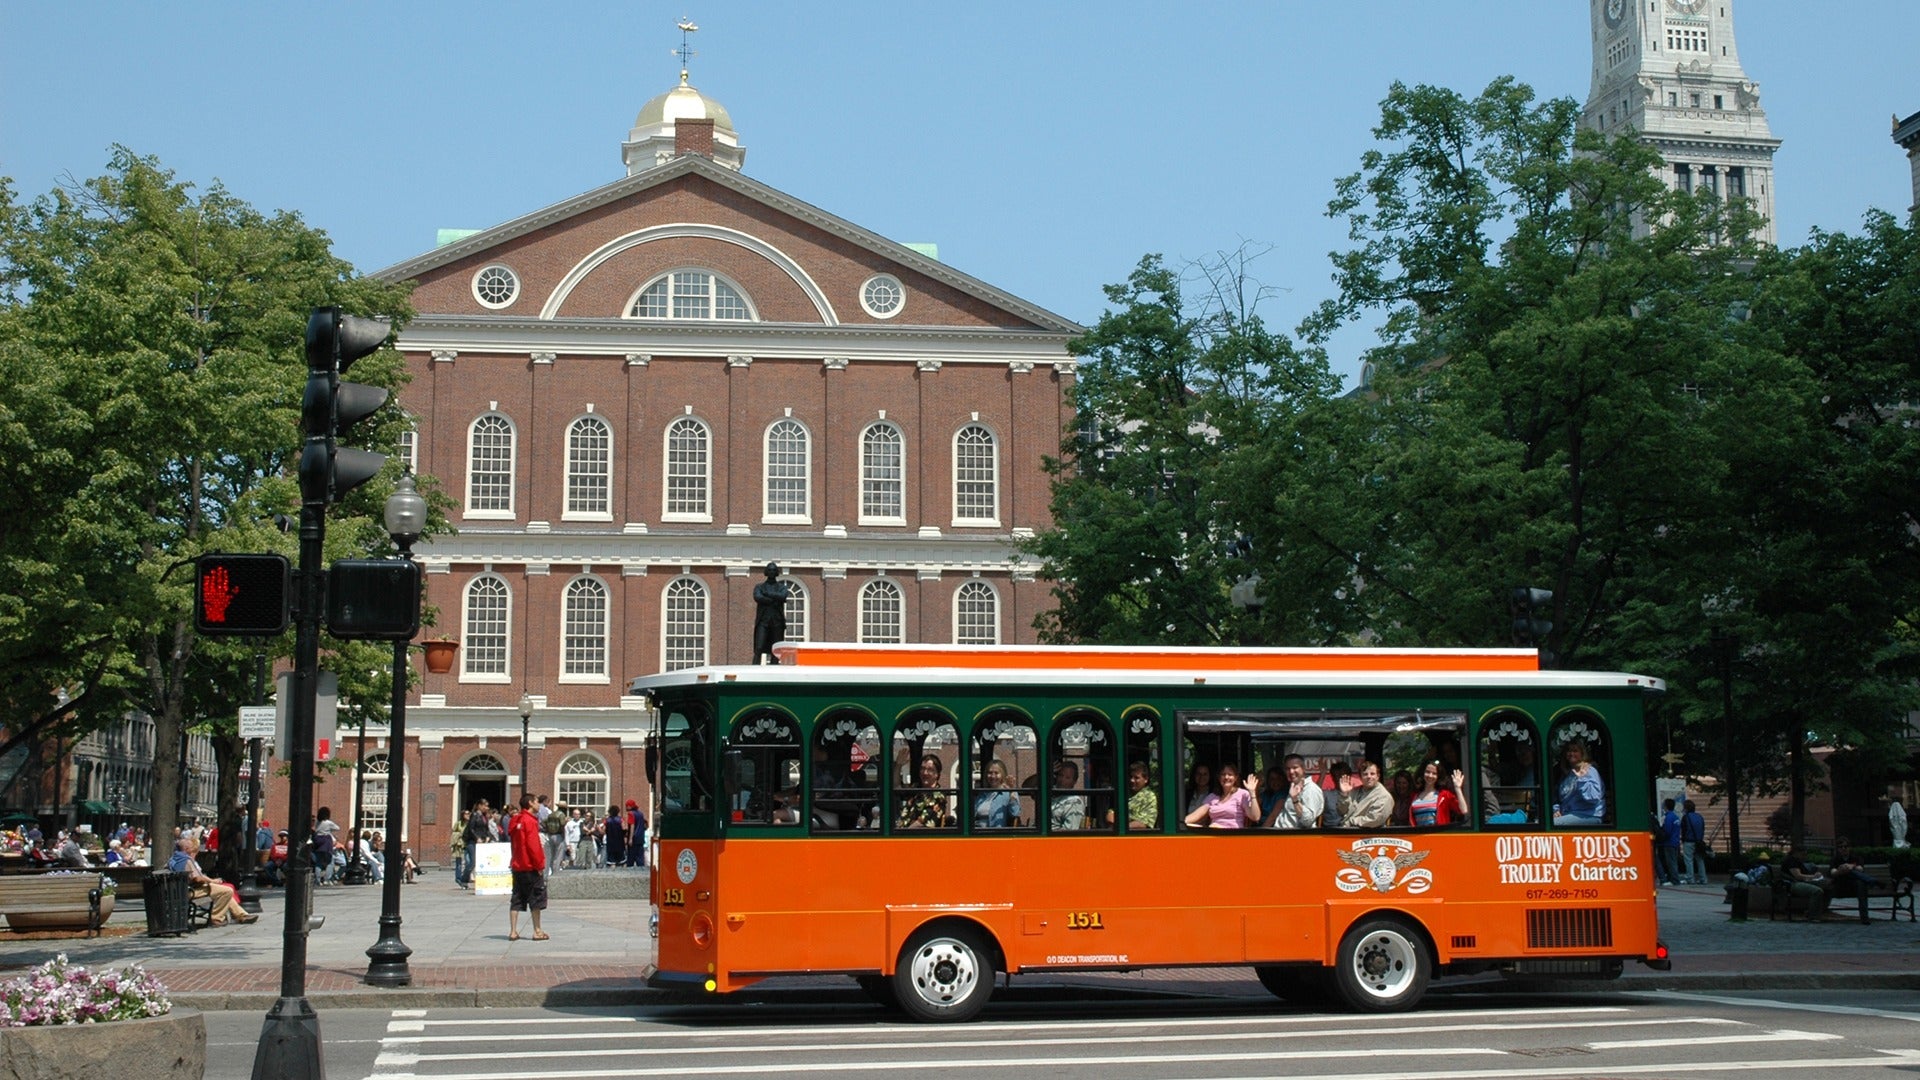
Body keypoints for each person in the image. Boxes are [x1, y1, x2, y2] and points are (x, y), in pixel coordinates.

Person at [168, 836, 257, 925]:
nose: (194, 849)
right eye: (192, 847)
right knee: (227, 891)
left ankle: (242, 915)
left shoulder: (174, 859)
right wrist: (211, 881)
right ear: (186, 848)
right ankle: (216, 918)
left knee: (224, 891)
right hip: (189, 891)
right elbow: (197, 878)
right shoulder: (186, 860)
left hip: (181, 890)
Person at [506, 794, 548, 941]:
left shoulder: (515, 820)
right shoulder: (529, 821)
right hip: (530, 866)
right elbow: (533, 846)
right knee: (536, 897)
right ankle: (537, 930)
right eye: (537, 802)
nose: (539, 805)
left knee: (516, 897)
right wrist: (539, 865)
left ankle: (513, 931)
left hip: (517, 865)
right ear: (530, 803)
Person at [1184, 763, 1260, 828]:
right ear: (1219, 777)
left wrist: (1252, 792)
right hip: (1214, 836)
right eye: (1223, 774)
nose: (1226, 777)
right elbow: (1195, 816)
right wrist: (1178, 823)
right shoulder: (1212, 797)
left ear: (1236, 778)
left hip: (1233, 837)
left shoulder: (1243, 794)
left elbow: (1255, 817)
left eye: (1230, 774)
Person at [1551, 741, 1606, 826]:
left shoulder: (1589, 771)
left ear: (1582, 753)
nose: (1571, 753)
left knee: (1553, 824)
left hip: (1589, 815)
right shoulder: (1567, 774)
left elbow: (1593, 797)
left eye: (1575, 751)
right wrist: (1556, 810)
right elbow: (1560, 798)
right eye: (1569, 751)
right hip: (1569, 814)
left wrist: (1582, 779)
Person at [1265, 754, 1326, 829]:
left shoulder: (1311, 789)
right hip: (1280, 834)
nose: (1291, 771)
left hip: (1294, 837)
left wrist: (1295, 800)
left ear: (1303, 768)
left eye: (1295, 767)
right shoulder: (1293, 787)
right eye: (1287, 769)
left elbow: (1308, 821)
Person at [1828, 836, 1880, 923]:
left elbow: (1861, 869)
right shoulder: (1835, 859)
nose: (1843, 849)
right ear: (1838, 849)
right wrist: (1841, 870)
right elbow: (1832, 873)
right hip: (1840, 886)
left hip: (1854, 886)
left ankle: (1864, 918)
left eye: (1846, 846)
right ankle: (1872, 881)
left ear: (1849, 847)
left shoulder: (1856, 858)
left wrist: (1852, 866)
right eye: (1841, 847)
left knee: (1860, 883)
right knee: (1852, 873)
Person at [752, 562, 791, 665]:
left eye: (774, 570)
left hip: (777, 622)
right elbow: (758, 597)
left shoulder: (782, 587)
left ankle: (774, 669)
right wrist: (774, 599)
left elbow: (783, 596)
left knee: (776, 649)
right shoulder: (759, 587)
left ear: (777, 572)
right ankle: (753, 669)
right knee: (759, 647)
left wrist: (768, 594)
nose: (772, 572)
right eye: (769, 570)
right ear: (766, 572)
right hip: (763, 622)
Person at [898, 754, 952, 828]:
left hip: (918, 836)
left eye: (930, 769)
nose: (925, 773)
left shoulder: (938, 796)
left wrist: (902, 834)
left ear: (937, 774)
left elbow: (920, 823)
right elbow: (896, 788)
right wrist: (898, 765)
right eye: (922, 768)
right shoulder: (916, 788)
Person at [1407, 761, 1467, 827]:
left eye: (1434, 773)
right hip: (1418, 835)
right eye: (1427, 772)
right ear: (1423, 773)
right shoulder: (1414, 796)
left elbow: (1463, 810)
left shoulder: (1444, 795)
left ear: (1438, 776)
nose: (1430, 775)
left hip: (1437, 835)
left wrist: (1457, 788)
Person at [1336, 762, 1393, 830]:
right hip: (1347, 833)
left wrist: (1352, 821)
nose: (1369, 777)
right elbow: (1342, 811)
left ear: (1378, 776)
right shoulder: (1355, 791)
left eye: (1372, 774)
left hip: (1370, 836)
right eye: (1365, 774)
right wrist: (1344, 795)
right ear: (1360, 777)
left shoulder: (1384, 796)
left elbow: (1374, 820)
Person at [1781, 845, 1832, 919]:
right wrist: (1814, 877)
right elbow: (1798, 876)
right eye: (1803, 854)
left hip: (1803, 882)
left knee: (1829, 887)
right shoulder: (1791, 861)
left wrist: (1815, 876)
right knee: (1816, 891)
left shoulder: (1799, 861)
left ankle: (1817, 911)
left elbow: (1805, 875)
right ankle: (1813, 915)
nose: (1804, 856)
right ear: (1796, 853)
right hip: (1793, 884)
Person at [974, 759, 1019, 827]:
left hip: (996, 835)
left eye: (996, 773)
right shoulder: (981, 794)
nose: (993, 776)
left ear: (1002, 774)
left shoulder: (1007, 793)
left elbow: (1015, 813)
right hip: (977, 834)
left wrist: (1012, 792)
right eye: (990, 773)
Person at [1049, 760, 1088, 830]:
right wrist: (1046, 773)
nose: (1062, 780)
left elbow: (1070, 832)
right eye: (1060, 775)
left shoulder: (1074, 802)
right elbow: (1027, 787)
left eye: (1067, 778)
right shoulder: (1051, 792)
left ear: (1074, 781)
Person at [1655, 799, 1683, 886]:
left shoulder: (1668, 817)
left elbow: (1667, 831)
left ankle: (1674, 880)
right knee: (1674, 861)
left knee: (1671, 862)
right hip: (1675, 842)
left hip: (1669, 843)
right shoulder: (1675, 817)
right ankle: (1675, 878)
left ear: (1666, 806)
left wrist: (1661, 837)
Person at [1681, 800, 1708, 884]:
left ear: (1686, 808)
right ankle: (1703, 878)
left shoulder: (1686, 817)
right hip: (1699, 841)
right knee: (1700, 860)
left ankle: (1690, 878)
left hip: (1688, 841)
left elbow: (1684, 830)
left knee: (1688, 860)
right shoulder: (1700, 817)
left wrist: (1683, 839)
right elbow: (1703, 829)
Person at [312, 807, 340, 885]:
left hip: (318, 840)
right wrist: (329, 830)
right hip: (326, 841)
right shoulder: (328, 822)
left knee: (318, 862)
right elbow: (337, 828)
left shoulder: (318, 822)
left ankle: (317, 880)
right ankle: (326, 879)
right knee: (329, 861)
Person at [541, 799, 567, 874]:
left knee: (550, 856)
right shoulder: (561, 815)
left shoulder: (551, 814)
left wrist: (547, 829)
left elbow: (542, 822)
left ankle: (547, 873)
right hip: (558, 835)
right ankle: (555, 873)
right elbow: (562, 824)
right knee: (558, 856)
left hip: (550, 835)